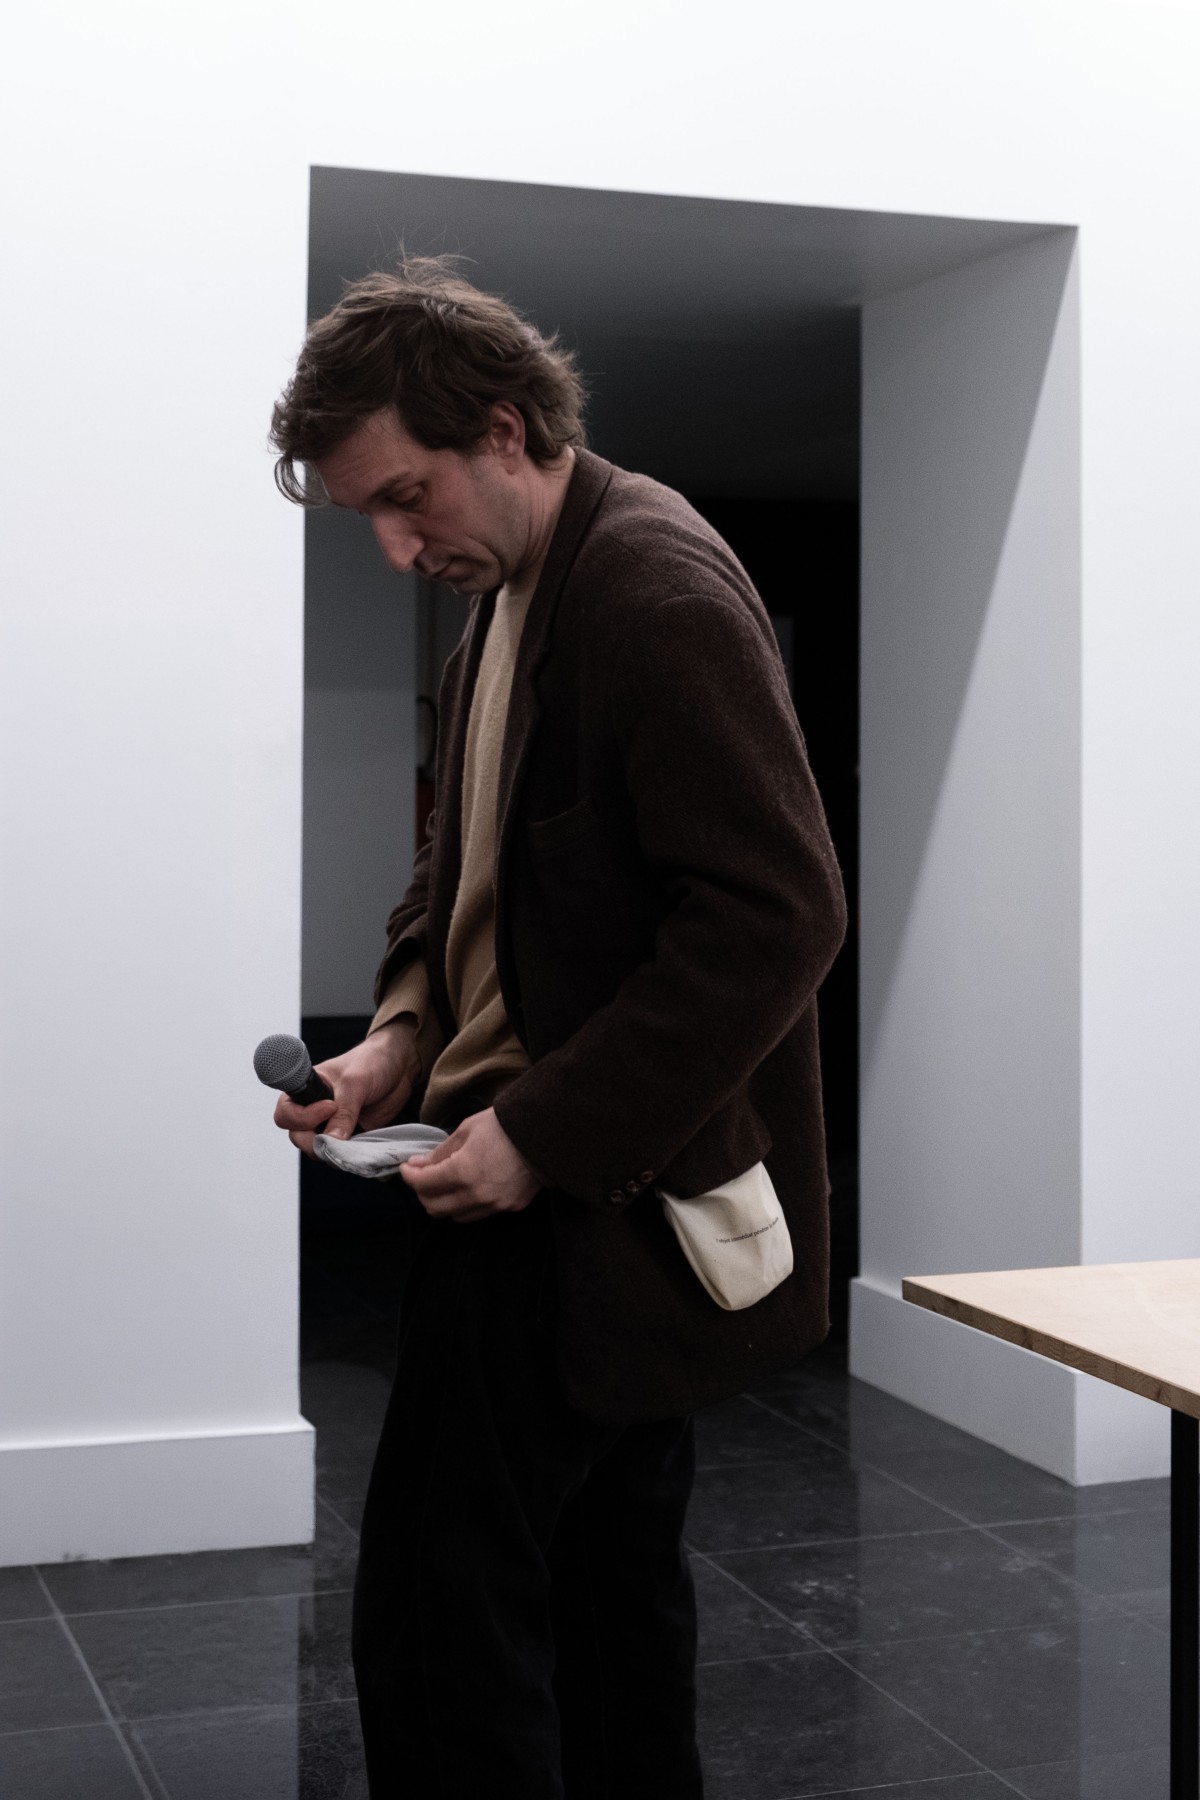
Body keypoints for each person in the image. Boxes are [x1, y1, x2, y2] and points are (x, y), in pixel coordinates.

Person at [268, 256, 847, 1799]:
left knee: (440, 1621)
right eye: (368, 517)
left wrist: (539, 1133)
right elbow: (455, 875)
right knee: (606, 1603)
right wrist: (400, 1035)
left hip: (582, 1200)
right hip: (551, 1184)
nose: (399, 549)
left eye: (407, 498)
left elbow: (779, 916)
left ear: (505, 429)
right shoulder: (514, 600)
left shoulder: (652, 589)